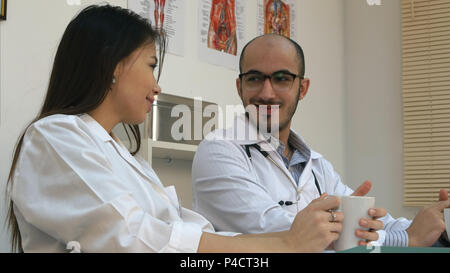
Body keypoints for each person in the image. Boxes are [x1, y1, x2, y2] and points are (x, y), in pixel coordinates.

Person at [6, 4, 350, 253]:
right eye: (151, 65)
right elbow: (137, 240)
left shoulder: (131, 162)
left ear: (302, 88)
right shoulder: (55, 138)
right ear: (112, 66)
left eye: (282, 79)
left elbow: (189, 232)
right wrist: (286, 244)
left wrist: (284, 245)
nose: (156, 86)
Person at [192, 34, 450, 248]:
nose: (267, 92)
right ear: (240, 87)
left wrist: (440, 225)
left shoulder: (316, 165)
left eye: (282, 78)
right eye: (255, 78)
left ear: (302, 89)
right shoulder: (218, 151)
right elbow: (294, 235)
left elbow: (370, 223)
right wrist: (408, 238)